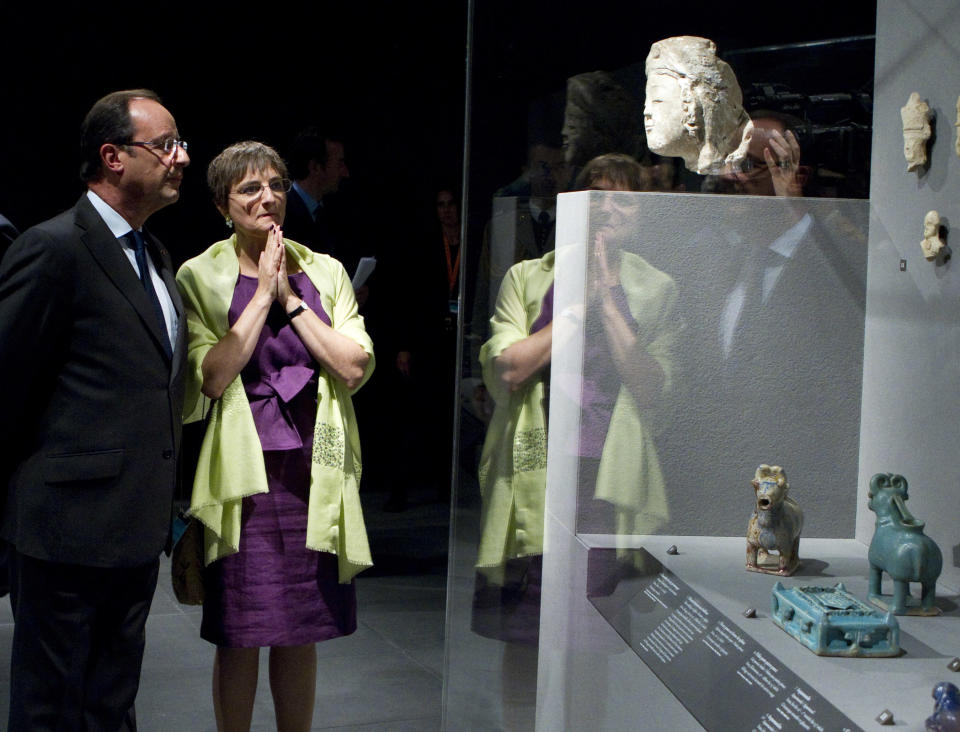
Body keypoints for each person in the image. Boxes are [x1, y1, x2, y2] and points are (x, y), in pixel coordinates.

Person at [0, 88, 189, 730]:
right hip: (62, 534)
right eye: (164, 145)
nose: (181, 157)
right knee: (51, 711)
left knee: (111, 707)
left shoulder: (156, 257)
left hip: (135, 530)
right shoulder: (53, 249)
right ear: (113, 157)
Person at [176, 141, 374, 732]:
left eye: (276, 185)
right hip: (242, 476)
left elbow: (353, 365)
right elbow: (210, 377)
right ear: (222, 204)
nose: (268, 198)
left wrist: (288, 296)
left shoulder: (324, 269)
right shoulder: (199, 275)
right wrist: (261, 294)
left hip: (314, 469)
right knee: (240, 630)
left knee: (301, 628)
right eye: (249, 189)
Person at [472, 153, 673, 727]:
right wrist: (579, 305)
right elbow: (508, 369)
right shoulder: (528, 276)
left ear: (642, 214)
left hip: (605, 484)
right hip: (532, 477)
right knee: (523, 633)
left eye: (625, 198)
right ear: (573, 203)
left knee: (592, 642)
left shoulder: (659, 289)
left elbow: (652, 384)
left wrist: (610, 293)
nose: (608, 207)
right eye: (597, 194)